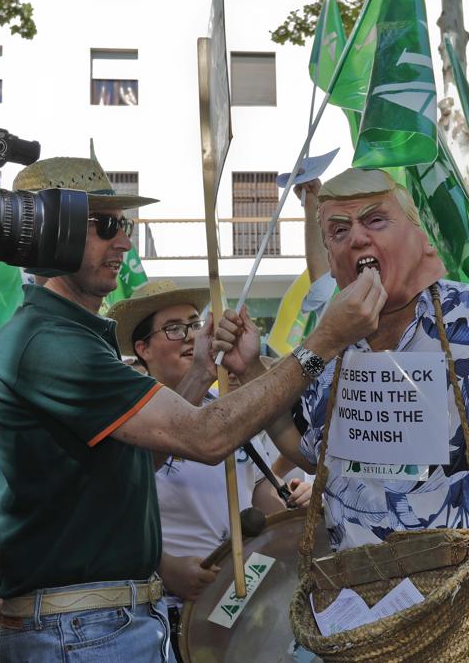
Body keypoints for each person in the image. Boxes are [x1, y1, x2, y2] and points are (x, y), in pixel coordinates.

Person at [0, 157, 381, 662]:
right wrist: (323, 340)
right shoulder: (51, 342)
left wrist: (202, 376)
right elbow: (205, 440)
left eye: (123, 225)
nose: (123, 242)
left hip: (104, 624)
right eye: (106, 226)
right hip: (84, 629)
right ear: (49, 234)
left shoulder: (69, 338)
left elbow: (135, 466)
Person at [215, 167, 469, 663]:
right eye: (338, 230)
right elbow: (314, 456)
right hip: (370, 622)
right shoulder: (329, 346)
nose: (356, 235)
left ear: (420, 240)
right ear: (334, 262)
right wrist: (251, 368)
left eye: (375, 220)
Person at [106, 279, 311, 657]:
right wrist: (163, 568)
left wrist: (292, 507)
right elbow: (110, 510)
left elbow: (261, 487)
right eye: (174, 329)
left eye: (194, 324)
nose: (190, 337)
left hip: (250, 603)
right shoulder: (125, 416)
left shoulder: (229, 406)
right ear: (142, 348)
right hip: (170, 613)